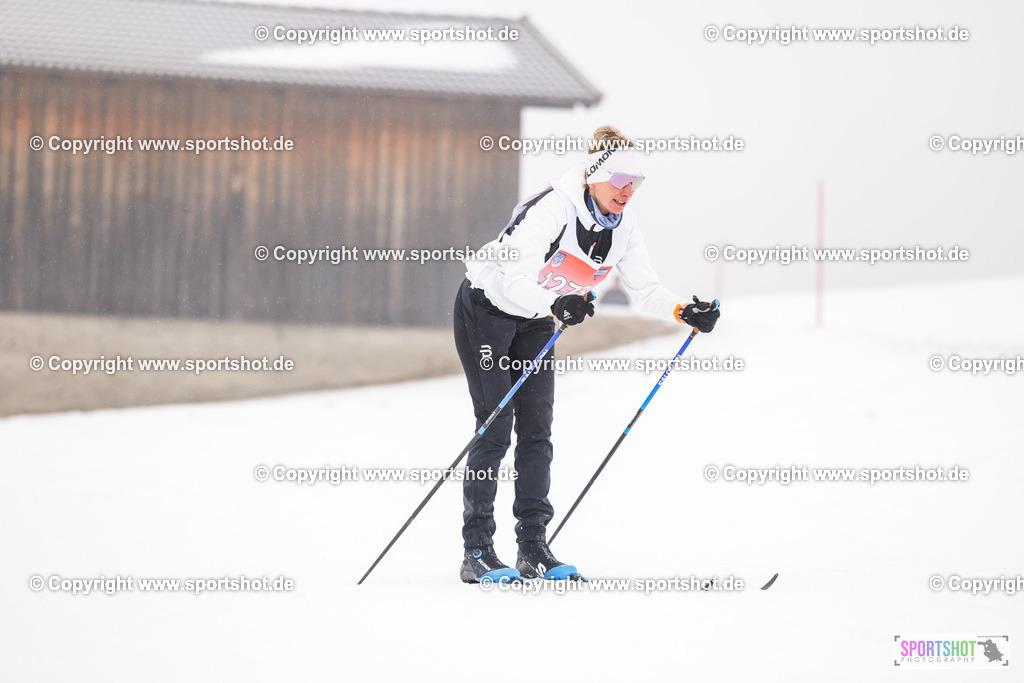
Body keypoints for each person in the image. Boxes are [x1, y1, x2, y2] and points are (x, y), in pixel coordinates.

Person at [453, 125, 720, 583]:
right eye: (619, 181)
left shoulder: (624, 227)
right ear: (594, 175)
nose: (627, 192)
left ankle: (533, 548)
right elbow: (516, 277)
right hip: (487, 308)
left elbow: (644, 287)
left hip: (537, 321)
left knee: (537, 432)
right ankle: (477, 551)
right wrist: (557, 302)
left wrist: (683, 311)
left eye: (635, 184)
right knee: (496, 429)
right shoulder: (554, 207)